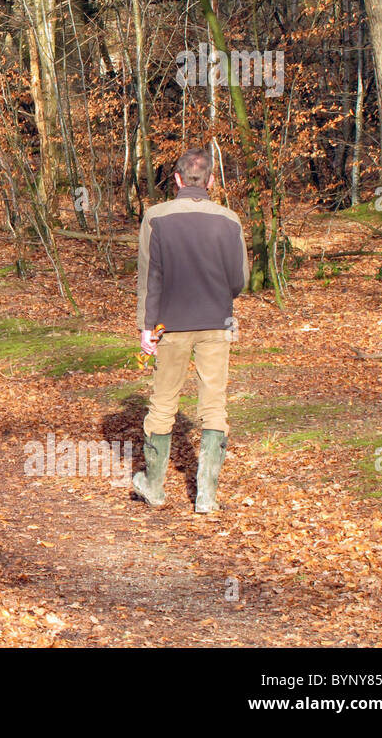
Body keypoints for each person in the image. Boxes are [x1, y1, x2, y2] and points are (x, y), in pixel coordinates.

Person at [133, 148, 249, 513]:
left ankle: (154, 486)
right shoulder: (229, 220)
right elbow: (239, 280)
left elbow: (149, 277)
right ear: (211, 181)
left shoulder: (156, 217)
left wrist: (146, 326)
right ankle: (206, 496)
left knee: (163, 402)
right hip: (217, 322)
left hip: (170, 324)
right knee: (214, 406)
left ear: (178, 180)